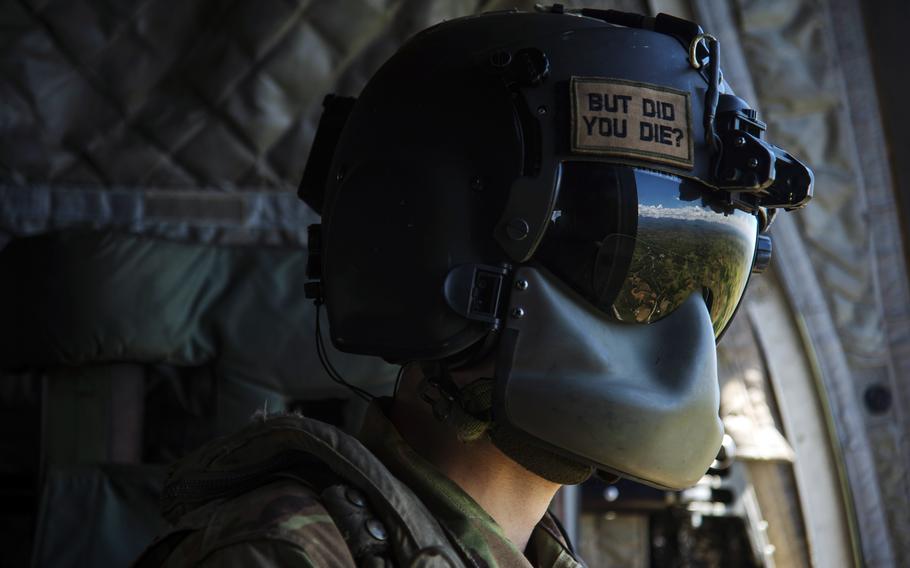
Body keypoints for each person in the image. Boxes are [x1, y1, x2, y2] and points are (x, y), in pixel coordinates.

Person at [135, 6, 812, 567]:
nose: (678, 336)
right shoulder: (288, 556)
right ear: (422, 249)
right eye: (615, 270)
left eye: (709, 280)